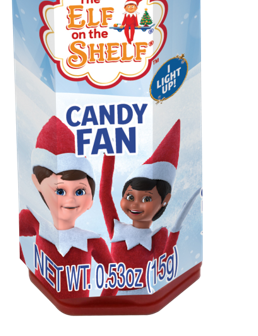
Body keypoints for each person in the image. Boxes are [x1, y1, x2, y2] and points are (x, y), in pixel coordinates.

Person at [18, 115, 111, 304]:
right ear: (37, 183)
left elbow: (114, 275)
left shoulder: (93, 240)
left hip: (79, 310)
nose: (70, 199)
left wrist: (98, 305)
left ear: (90, 199)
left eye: (80, 191)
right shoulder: (35, 221)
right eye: (60, 190)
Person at [99, 121, 199, 296]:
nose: (135, 204)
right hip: (111, 293)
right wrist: (110, 151)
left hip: (141, 296)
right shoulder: (117, 229)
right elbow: (104, 194)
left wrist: (175, 230)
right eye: (130, 197)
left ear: (165, 201)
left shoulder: (156, 237)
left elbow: (163, 263)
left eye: (146, 199)